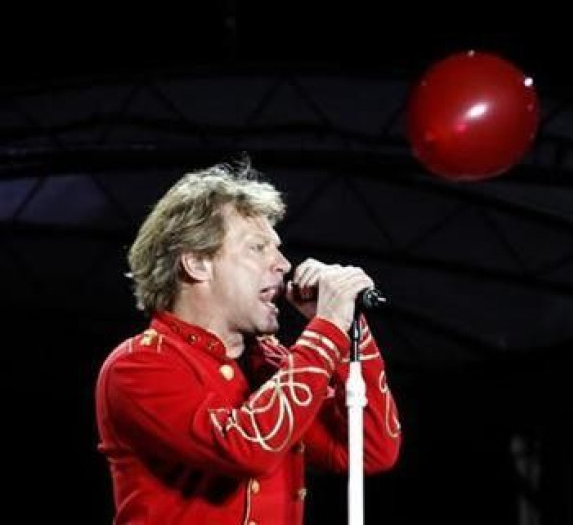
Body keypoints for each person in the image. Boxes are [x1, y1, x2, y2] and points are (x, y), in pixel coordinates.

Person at [95, 158, 402, 524]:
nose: (284, 264)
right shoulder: (138, 366)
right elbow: (245, 447)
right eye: (258, 248)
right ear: (196, 264)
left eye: (277, 248)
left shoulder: (273, 364)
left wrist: (351, 330)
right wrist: (327, 330)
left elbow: (371, 451)